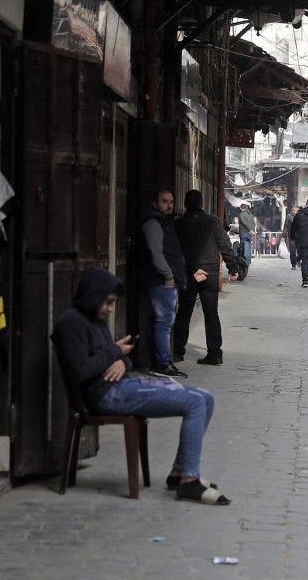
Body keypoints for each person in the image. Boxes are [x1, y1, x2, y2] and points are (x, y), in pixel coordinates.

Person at [52, 266, 230, 505]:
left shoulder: (95, 319)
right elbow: (81, 369)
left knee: (205, 398)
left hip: (122, 385)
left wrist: (121, 361)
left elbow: (120, 358)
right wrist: (115, 353)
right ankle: (189, 480)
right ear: (93, 296)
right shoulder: (70, 323)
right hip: (106, 395)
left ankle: (178, 472)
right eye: (108, 302)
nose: (111, 308)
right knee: (195, 402)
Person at [173, 190, 241, 367]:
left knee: (184, 313)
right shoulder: (213, 221)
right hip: (211, 273)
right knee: (211, 314)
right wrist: (233, 268)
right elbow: (225, 245)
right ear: (202, 203)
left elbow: (178, 252)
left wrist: (192, 269)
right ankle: (215, 354)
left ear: (185, 204)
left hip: (190, 274)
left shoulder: (179, 224)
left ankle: (177, 352)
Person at [135, 187, 187, 379]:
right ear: (155, 203)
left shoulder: (163, 222)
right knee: (164, 322)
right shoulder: (153, 223)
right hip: (161, 281)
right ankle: (163, 364)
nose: (169, 206)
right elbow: (155, 253)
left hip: (162, 280)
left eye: (171, 202)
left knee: (159, 322)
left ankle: (158, 363)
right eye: (164, 201)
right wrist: (168, 275)